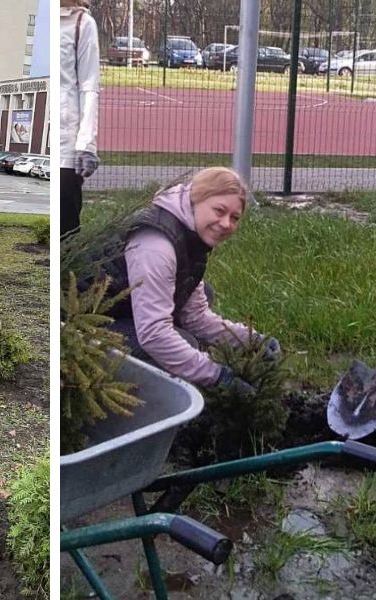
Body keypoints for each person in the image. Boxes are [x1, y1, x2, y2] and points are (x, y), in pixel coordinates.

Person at [92, 167, 280, 390]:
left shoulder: (188, 235)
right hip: (80, 325)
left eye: (234, 217)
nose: (226, 223)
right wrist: (217, 376)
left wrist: (252, 340)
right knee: (184, 340)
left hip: (122, 310)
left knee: (201, 294)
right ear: (195, 200)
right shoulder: (156, 246)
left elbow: (196, 317)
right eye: (219, 211)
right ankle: (135, 395)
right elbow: (153, 334)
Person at [60, 0, 100, 236]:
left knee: (65, 233)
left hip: (66, 149)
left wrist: (86, 144)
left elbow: (89, 87)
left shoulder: (82, 23)